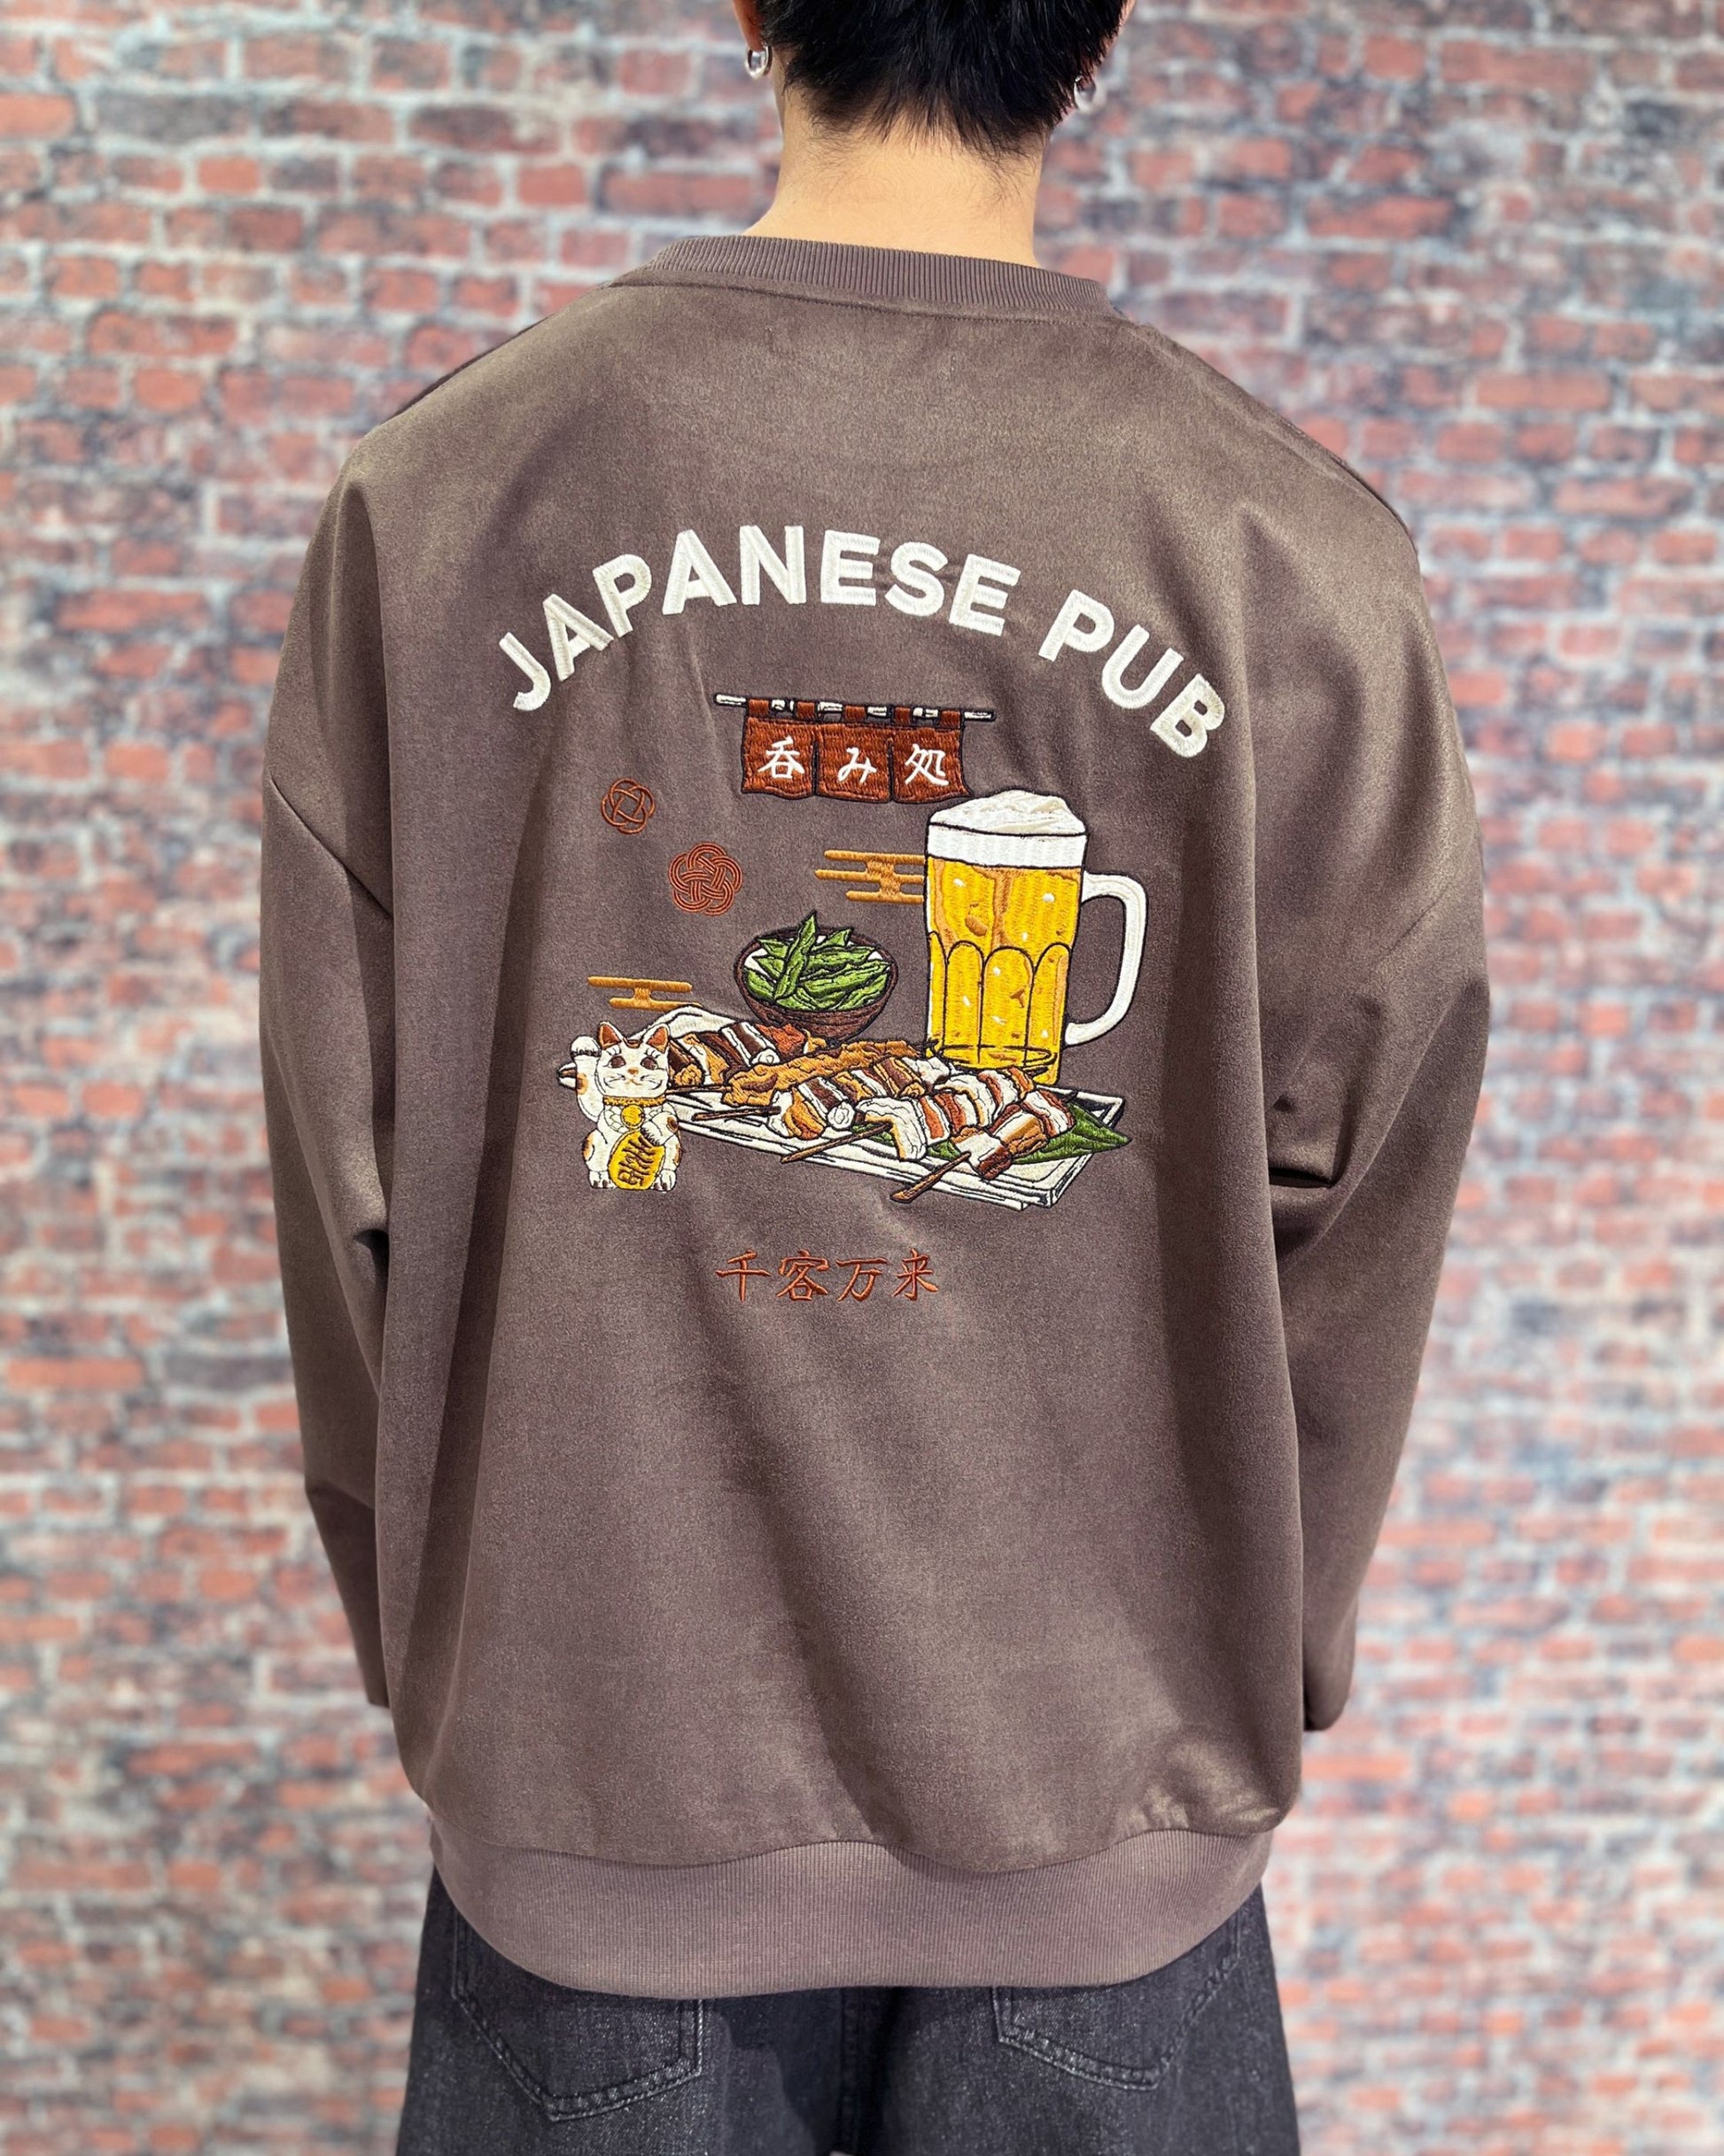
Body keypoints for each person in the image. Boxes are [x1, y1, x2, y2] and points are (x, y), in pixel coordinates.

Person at [256, 0, 1490, 2148]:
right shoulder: (1288, 548)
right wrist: (1263, 1640)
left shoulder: (445, 499)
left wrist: (438, 1622)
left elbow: (341, 1154)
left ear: (753, 6)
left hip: (600, 1754)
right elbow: (1366, 1182)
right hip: (1097, 1775)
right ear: (1098, 24)